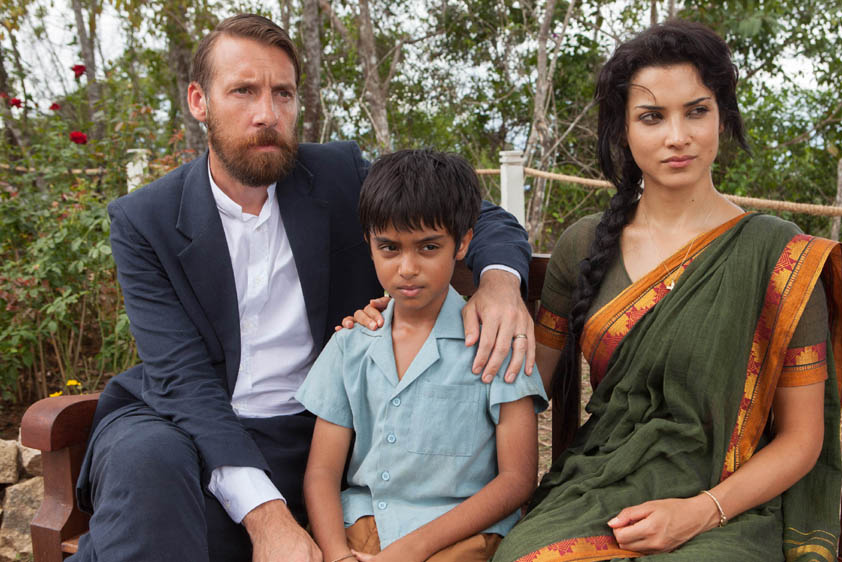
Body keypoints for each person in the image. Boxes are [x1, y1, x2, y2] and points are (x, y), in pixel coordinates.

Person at [71, 14, 534, 562]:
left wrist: (500, 284)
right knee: (146, 465)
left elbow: (479, 215)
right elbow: (180, 378)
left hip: (309, 432)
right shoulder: (143, 218)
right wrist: (266, 519)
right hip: (181, 420)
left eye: (283, 93)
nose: (267, 114)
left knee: (157, 533)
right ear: (199, 101)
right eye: (243, 90)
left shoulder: (336, 175)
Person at [491, 19, 842, 562]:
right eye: (652, 117)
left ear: (722, 118)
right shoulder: (585, 244)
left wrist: (698, 511)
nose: (676, 136)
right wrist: (411, 320)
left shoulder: (777, 255)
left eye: (696, 111)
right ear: (624, 130)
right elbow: (523, 382)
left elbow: (803, 439)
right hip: (599, 491)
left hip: (729, 505)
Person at [296, 149, 548, 562]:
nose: (407, 268)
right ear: (369, 243)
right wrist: (338, 555)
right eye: (390, 248)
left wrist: (411, 549)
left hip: (463, 536)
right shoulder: (350, 346)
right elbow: (322, 474)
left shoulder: (495, 344)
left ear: (463, 241)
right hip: (358, 527)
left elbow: (517, 480)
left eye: (428, 247)